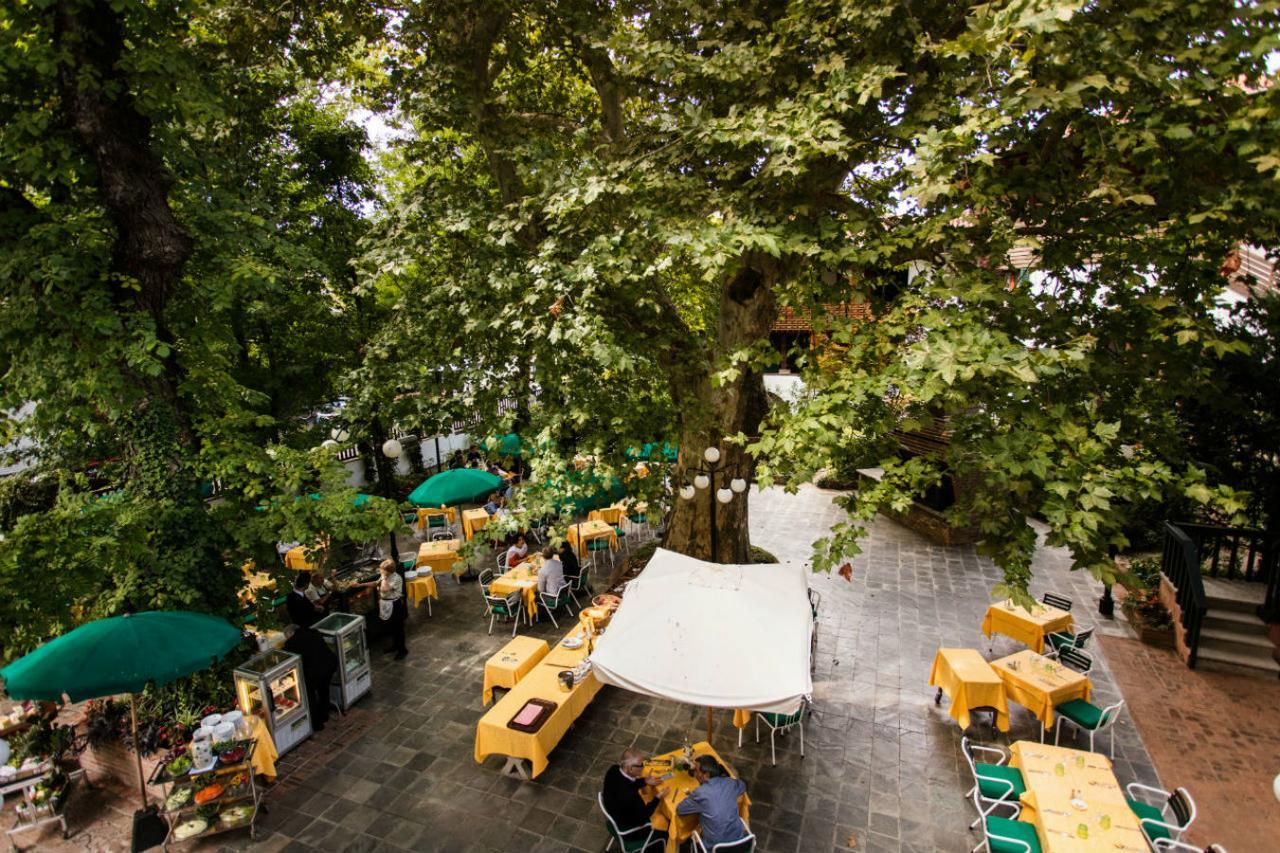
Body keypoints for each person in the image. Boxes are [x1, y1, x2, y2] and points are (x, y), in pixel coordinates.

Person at [675, 755, 748, 849]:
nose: (695, 774)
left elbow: (680, 810)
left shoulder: (700, 793)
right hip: (741, 843)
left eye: (697, 771)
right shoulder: (730, 783)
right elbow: (742, 786)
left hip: (715, 848)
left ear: (706, 775)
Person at [282, 623, 337, 732]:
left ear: (291, 634)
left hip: (314, 672)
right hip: (329, 664)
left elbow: (287, 656)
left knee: (310, 696)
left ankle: (317, 724)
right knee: (324, 690)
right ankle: (324, 715)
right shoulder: (313, 631)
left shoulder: (291, 643)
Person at [601, 748, 663, 835]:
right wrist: (657, 798)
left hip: (618, 811)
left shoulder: (613, 770)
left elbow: (627, 783)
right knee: (665, 821)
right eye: (640, 765)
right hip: (632, 830)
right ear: (630, 768)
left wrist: (644, 781)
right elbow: (644, 816)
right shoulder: (629, 795)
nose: (643, 767)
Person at [354, 559, 408, 659]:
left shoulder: (396, 578)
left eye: (382, 570)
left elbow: (384, 589)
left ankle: (402, 650)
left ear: (388, 571)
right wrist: (360, 585)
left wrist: (383, 578)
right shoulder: (385, 576)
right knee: (392, 627)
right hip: (386, 604)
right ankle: (395, 645)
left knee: (398, 628)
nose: (380, 571)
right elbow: (376, 583)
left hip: (395, 604)